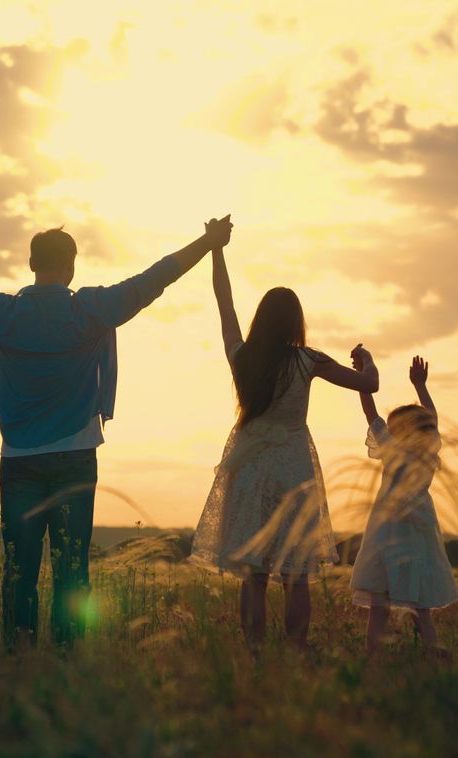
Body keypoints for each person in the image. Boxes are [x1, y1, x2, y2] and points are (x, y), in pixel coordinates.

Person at [0, 216, 234, 646]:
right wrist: (207, 241)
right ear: (71, 266)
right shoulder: (90, 310)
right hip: (75, 459)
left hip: (19, 462)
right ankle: (67, 659)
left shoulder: (2, 313)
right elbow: (156, 277)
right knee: (72, 570)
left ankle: (20, 654)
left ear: (31, 263)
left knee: (20, 573)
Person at [190, 243, 380, 650]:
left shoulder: (241, 355)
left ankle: (255, 650)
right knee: (296, 573)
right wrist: (366, 360)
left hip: (250, 463)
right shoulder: (308, 360)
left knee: (254, 575)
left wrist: (216, 251)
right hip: (294, 466)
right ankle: (295, 650)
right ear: (296, 322)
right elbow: (369, 385)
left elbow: (224, 302)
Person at [348, 354, 457, 655]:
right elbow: (431, 417)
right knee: (420, 605)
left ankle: (373, 658)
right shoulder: (428, 450)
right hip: (420, 529)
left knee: (378, 606)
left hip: (388, 533)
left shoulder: (393, 450)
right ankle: (434, 650)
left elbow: (370, 413)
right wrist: (420, 386)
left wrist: (362, 379)